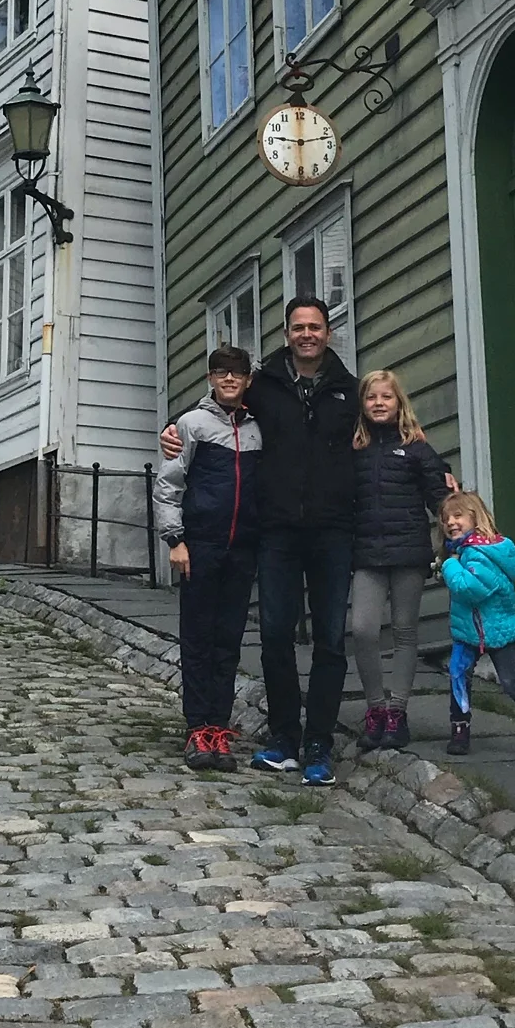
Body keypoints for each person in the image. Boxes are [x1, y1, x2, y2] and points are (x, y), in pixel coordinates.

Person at [167, 295, 358, 787]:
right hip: (275, 532)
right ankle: (283, 739)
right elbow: (217, 409)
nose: (307, 334)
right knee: (274, 635)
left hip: (333, 531)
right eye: (298, 327)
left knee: (331, 640)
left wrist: (436, 476)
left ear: (328, 333)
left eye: (315, 326)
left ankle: (319, 743)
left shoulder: (348, 391)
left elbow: (390, 429)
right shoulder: (266, 385)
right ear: (288, 333)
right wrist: (172, 431)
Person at [153, 345, 264, 773]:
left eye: (236, 374)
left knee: (228, 640)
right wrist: (175, 539)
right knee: (198, 638)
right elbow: (169, 485)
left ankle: (219, 726)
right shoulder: (192, 424)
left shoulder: (259, 428)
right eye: (221, 373)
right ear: (211, 379)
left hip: (243, 548)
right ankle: (197, 727)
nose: (229, 380)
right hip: (201, 545)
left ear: (247, 379)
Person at [351, 369, 452, 755]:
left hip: (409, 551)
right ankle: (375, 709)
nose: (379, 403)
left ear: (399, 403)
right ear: (363, 404)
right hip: (367, 552)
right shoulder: (353, 450)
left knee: (405, 631)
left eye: (386, 397)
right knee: (362, 630)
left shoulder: (417, 449)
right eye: (372, 397)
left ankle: (397, 712)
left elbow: (441, 498)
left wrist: (457, 538)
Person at [439, 488, 515, 763]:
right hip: (467, 631)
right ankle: (460, 729)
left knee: (510, 682)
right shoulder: (464, 552)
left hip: (498, 629)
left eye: (457, 515)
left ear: (476, 517)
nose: (450, 523)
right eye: (445, 519)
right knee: (458, 675)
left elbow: (469, 588)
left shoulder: (483, 553)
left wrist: (448, 565)